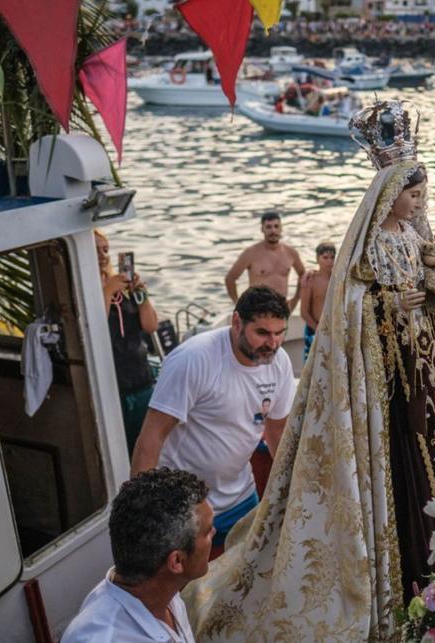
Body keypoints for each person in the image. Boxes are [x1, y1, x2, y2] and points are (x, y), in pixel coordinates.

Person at [185, 101, 435, 640]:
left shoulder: (413, 236)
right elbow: (353, 307)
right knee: (401, 456)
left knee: (433, 448)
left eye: (422, 193)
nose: (419, 201)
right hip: (387, 372)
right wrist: (394, 306)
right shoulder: (372, 244)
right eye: (411, 193)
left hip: (421, 364)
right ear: (386, 196)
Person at [130, 287, 294, 551]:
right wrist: (140, 510)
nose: (272, 344)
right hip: (183, 504)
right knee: (185, 587)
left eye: (279, 333)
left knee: (247, 580)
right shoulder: (194, 359)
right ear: (237, 322)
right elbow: (152, 435)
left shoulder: (280, 362)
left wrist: (292, 487)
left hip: (241, 496)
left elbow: (276, 431)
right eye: (262, 333)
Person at [62, 468, 213, 643]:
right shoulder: (105, 638)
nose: (214, 532)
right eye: (208, 532)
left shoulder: (164, 591)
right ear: (177, 561)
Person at [96, 229, 158, 455]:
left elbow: (150, 326)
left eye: (105, 249)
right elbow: (94, 326)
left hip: (140, 378)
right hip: (114, 384)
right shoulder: (89, 290)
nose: (102, 255)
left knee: (147, 445)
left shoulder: (124, 290)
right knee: (121, 448)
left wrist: (142, 295)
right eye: (95, 250)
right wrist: (107, 291)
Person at [224, 211, 306, 312]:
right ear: (262, 229)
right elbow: (230, 278)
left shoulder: (290, 253)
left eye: (276, 226)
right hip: (257, 308)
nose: (273, 231)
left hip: (281, 308)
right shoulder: (251, 253)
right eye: (268, 227)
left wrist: (295, 299)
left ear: (281, 228)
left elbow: (302, 274)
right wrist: (237, 304)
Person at [298, 241, 335, 362]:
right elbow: (304, 312)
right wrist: (318, 330)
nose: (329, 261)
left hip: (334, 328)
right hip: (314, 328)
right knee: (313, 365)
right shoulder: (310, 280)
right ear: (317, 259)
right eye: (325, 258)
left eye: (332, 257)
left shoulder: (338, 278)